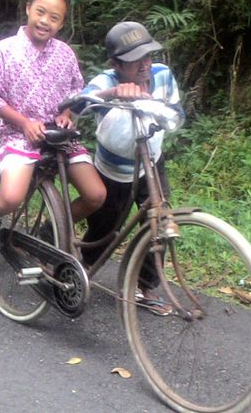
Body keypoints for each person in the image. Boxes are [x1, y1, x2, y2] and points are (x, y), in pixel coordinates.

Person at [0, 0, 106, 237]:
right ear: (28, 9)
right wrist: (24, 123)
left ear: (61, 23)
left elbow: (73, 94)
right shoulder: (5, 50)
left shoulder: (65, 54)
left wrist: (65, 115)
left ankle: (50, 229)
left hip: (58, 137)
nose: (45, 21)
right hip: (19, 136)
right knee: (11, 198)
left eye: (54, 18)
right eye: (40, 12)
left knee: (96, 195)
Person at [76, 21, 185, 315]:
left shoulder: (162, 75)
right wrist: (113, 93)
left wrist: (151, 103)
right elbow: (79, 103)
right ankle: (84, 265)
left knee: (159, 220)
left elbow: (177, 112)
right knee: (105, 227)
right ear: (116, 64)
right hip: (113, 169)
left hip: (151, 160)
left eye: (148, 56)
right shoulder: (106, 80)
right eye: (134, 60)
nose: (144, 64)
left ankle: (143, 285)